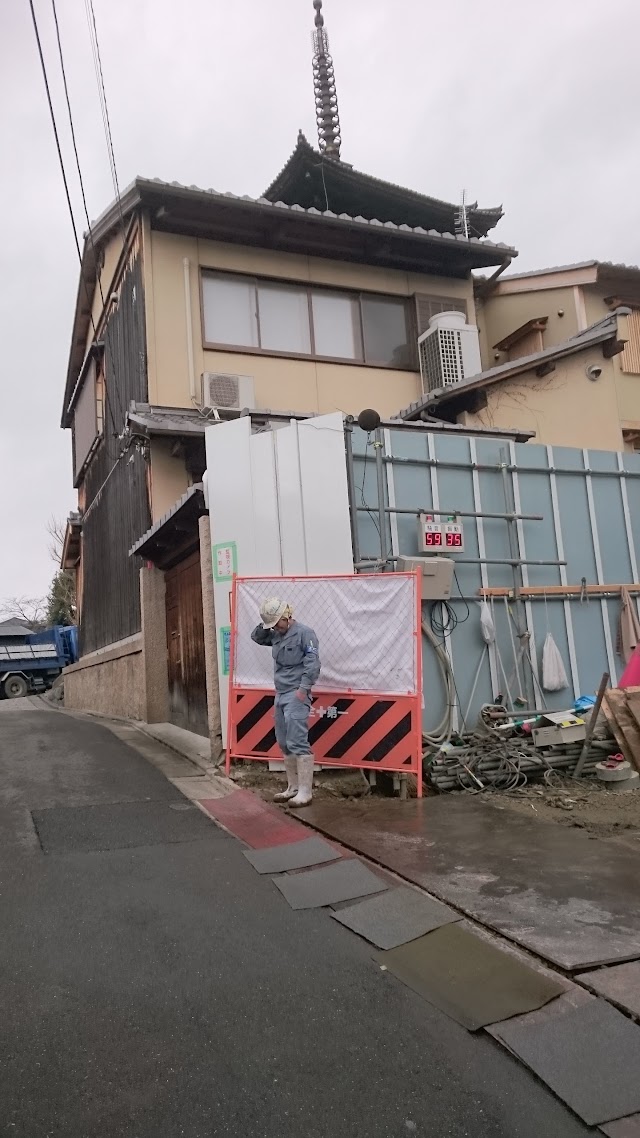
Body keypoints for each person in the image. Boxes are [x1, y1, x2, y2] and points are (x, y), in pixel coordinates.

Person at [251, 598, 320, 807]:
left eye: (277, 623)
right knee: (283, 741)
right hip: (280, 693)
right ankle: (293, 787)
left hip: (295, 693)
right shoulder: (276, 635)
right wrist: (265, 624)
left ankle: (306, 792)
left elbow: (313, 663)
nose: (276, 628)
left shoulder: (304, 633)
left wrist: (303, 690)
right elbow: (257, 637)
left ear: (286, 617)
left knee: (298, 741)